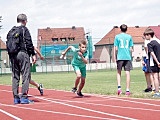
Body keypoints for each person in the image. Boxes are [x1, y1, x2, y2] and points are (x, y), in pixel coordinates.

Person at [9, 14, 36, 104]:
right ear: (24, 21)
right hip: (22, 53)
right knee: (25, 75)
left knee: (15, 76)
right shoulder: (24, 29)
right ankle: (24, 97)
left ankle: (16, 98)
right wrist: (33, 54)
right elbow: (28, 42)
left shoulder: (11, 31)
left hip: (12, 55)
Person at [113, 24, 134, 96]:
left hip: (120, 57)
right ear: (126, 29)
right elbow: (131, 49)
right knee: (127, 73)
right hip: (127, 57)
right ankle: (127, 90)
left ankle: (119, 88)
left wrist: (115, 57)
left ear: (120, 29)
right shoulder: (129, 37)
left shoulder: (117, 37)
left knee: (119, 72)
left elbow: (115, 48)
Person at [144, 28, 160, 98]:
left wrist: (157, 62)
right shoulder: (158, 42)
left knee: (155, 77)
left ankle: (157, 92)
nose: (145, 37)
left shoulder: (150, 44)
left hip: (154, 62)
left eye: (146, 36)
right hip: (158, 60)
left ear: (149, 35)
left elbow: (152, 54)